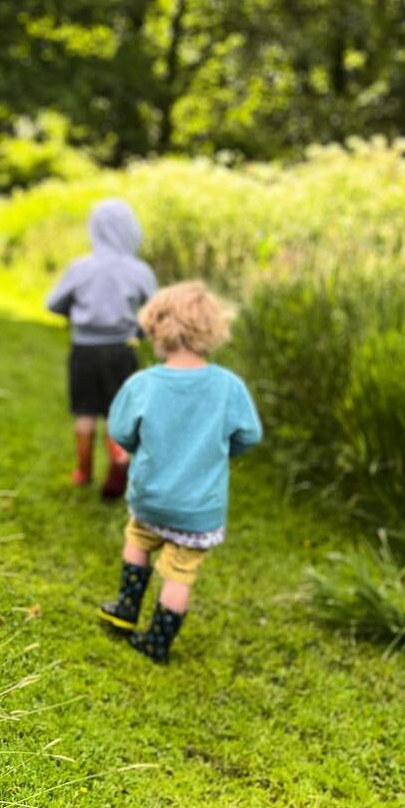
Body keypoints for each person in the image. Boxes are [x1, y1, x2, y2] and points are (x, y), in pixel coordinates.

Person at [97, 281, 263, 663]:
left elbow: (121, 431)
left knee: (138, 539)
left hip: (150, 497)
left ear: (157, 327)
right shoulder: (228, 387)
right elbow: (248, 435)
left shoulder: (143, 384)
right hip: (198, 510)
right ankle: (157, 642)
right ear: (213, 330)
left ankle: (126, 605)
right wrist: (222, 451)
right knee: (180, 572)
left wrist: (141, 447)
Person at [45, 199, 158, 498]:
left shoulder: (81, 267)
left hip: (84, 349)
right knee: (115, 412)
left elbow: (53, 303)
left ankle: (83, 472)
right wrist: (140, 331)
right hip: (122, 348)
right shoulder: (140, 271)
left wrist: (75, 312)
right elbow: (156, 310)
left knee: (84, 412)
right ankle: (119, 458)